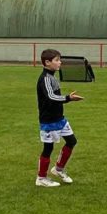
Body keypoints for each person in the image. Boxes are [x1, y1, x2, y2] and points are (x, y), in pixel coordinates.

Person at [35, 48, 84, 187]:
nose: (60, 62)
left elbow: (54, 96)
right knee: (48, 149)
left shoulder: (52, 76)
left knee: (71, 141)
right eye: (57, 60)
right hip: (48, 120)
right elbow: (51, 97)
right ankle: (41, 178)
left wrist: (67, 98)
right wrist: (68, 98)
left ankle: (58, 169)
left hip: (59, 118)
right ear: (47, 62)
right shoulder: (44, 78)